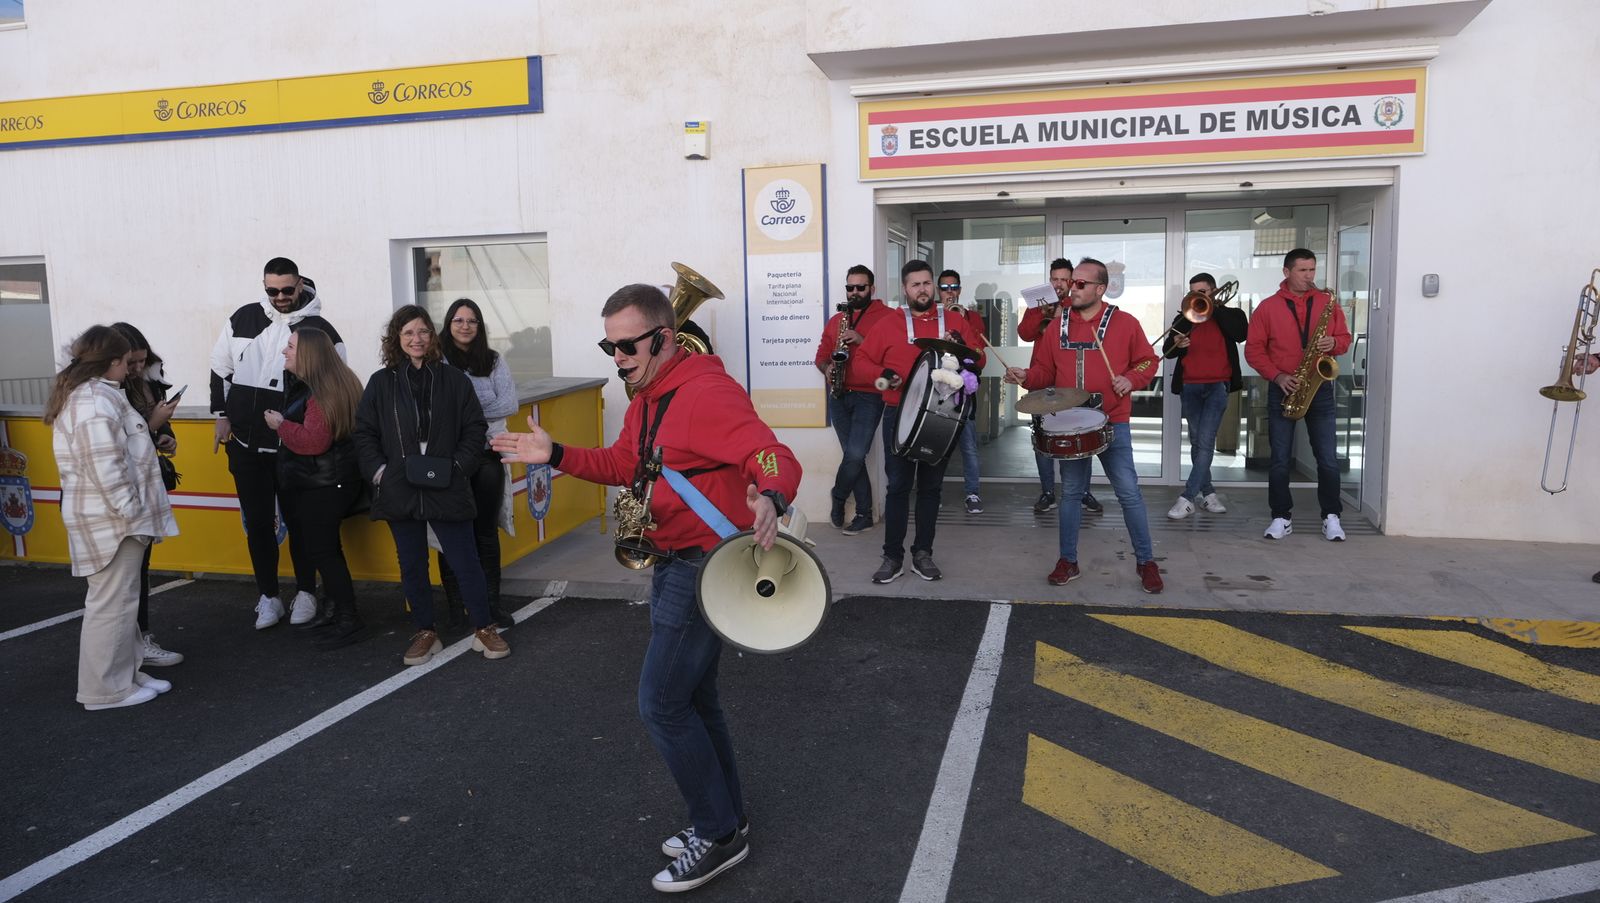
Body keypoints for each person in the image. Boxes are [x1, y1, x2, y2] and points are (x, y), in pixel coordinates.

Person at [491, 283, 800, 893]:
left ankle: (717, 833)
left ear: (663, 337)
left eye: (626, 344)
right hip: (671, 560)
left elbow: (770, 453)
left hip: (704, 566)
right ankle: (726, 818)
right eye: (608, 344)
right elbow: (622, 465)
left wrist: (771, 493)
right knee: (694, 699)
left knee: (660, 702)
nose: (616, 356)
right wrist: (554, 454)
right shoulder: (647, 398)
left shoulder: (706, 391)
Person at [354, 306, 509, 665]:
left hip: (446, 479)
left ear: (432, 336)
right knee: (411, 563)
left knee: (464, 558)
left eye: (422, 331)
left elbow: (474, 428)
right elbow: (364, 433)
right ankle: (425, 630)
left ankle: (484, 627)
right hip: (399, 484)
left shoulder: (454, 380)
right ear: (397, 339)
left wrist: (458, 467)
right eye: (408, 333)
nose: (416, 339)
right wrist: (379, 472)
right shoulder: (381, 382)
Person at [1003, 257, 1163, 594]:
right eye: (1072, 282)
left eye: (1080, 284)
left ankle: (1146, 562)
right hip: (1068, 423)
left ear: (1100, 289)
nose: (1071, 288)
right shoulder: (1057, 324)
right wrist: (1026, 376)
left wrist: (1130, 379)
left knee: (1129, 492)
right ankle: (1068, 560)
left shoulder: (1125, 323)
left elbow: (1149, 360)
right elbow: (1045, 372)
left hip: (1112, 421)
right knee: (1071, 494)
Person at [46, 326, 180, 710]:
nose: (131, 368)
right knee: (112, 605)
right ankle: (105, 690)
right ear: (109, 363)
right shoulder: (92, 403)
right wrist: (132, 512)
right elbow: (106, 468)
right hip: (112, 522)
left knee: (122, 601)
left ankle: (127, 673)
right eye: (126, 361)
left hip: (113, 519)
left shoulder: (98, 396)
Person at [211, 257, 345, 630]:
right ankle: (268, 597)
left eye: (288, 289)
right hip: (245, 442)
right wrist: (221, 415)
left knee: (301, 523)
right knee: (257, 523)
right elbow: (220, 367)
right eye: (273, 291)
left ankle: (306, 592)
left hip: (296, 446)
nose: (280, 297)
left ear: (300, 283)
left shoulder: (320, 329)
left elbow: (334, 388)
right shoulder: (243, 317)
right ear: (264, 286)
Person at [857, 260, 984, 583]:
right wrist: (882, 376)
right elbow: (862, 362)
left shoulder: (955, 320)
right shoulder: (888, 323)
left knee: (931, 488)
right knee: (898, 487)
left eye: (928, 283)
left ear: (935, 287)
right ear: (905, 288)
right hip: (897, 414)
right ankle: (892, 557)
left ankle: (923, 553)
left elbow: (978, 359)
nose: (923, 290)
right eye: (916, 284)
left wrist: (964, 348)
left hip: (942, 415)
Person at [262, 327, 367, 649]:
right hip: (331, 482)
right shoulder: (334, 381)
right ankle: (336, 611)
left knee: (323, 552)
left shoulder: (321, 391)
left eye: (291, 347)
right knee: (328, 549)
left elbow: (313, 442)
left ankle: (348, 619)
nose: (285, 352)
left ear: (308, 353)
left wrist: (281, 426)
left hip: (323, 485)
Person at [1244, 249, 1353, 542]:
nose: (1309, 277)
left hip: (1321, 389)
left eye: (1312, 270)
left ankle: (1332, 516)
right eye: (1303, 271)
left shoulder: (1327, 302)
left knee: (1328, 459)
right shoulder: (1267, 308)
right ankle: (1281, 516)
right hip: (1284, 388)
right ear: (1286, 272)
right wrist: (1277, 375)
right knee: (1279, 459)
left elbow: (1344, 338)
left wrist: (1335, 343)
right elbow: (1253, 350)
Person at [438, 298, 518, 631]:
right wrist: (482, 405)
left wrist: (467, 410)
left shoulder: (494, 359)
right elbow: (440, 407)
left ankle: (491, 604)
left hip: (488, 453)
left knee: (485, 532)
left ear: (480, 326)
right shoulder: (437, 359)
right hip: (451, 455)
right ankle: (458, 607)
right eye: (458, 320)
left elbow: (510, 402)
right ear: (449, 324)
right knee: (451, 532)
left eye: (472, 321)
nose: (465, 326)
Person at [109, 322, 185, 668]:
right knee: (118, 583)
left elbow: (147, 433)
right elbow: (120, 445)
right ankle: (129, 651)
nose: (137, 368)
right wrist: (153, 426)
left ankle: (138, 644)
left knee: (137, 572)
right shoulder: (103, 394)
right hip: (120, 501)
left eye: (142, 361)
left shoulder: (144, 380)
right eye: (132, 362)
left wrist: (163, 434)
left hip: (139, 491)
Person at [1019, 258, 1102, 516]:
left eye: (1064, 279)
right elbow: (1024, 333)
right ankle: (1047, 492)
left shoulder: (1077, 304)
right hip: (1042, 380)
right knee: (1042, 437)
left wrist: (1062, 314)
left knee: (1080, 437)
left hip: (1070, 381)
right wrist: (1041, 313)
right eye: (1054, 279)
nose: (1059, 284)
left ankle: (1082, 491)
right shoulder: (1038, 305)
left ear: (1072, 281)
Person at [1161, 273, 1249, 519]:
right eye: (1193, 292)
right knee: (1199, 441)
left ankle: (1187, 497)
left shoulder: (1231, 315)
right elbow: (1168, 353)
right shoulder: (1184, 318)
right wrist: (1177, 343)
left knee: (1206, 441)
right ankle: (1208, 494)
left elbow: (1240, 334)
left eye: (1203, 291)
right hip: (1190, 386)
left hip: (1217, 387)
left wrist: (1215, 308)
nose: (1197, 296)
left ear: (1214, 291)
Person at [813, 264, 893, 535]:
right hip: (839, 393)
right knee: (853, 456)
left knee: (856, 453)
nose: (855, 292)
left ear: (872, 288)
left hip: (870, 395)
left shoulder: (888, 317)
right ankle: (864, 514)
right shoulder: (837, 319)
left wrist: (861, 338)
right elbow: (821, 354)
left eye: (861, 287)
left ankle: (838, 496)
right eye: (850, 288)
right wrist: (827, 368)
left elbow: (893, 355)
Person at [940, 269, 987, 515]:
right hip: (938, 391)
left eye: (954, 287)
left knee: (968, 446)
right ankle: (933, 491)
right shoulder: (934, 317)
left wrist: (962, 325)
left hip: (964, 391)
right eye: (945, 287)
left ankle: (972, 492)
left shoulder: (973, 317)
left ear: (960, 290)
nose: (950, 292)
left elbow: (979, 354)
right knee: (937, 443)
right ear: (939, 292)